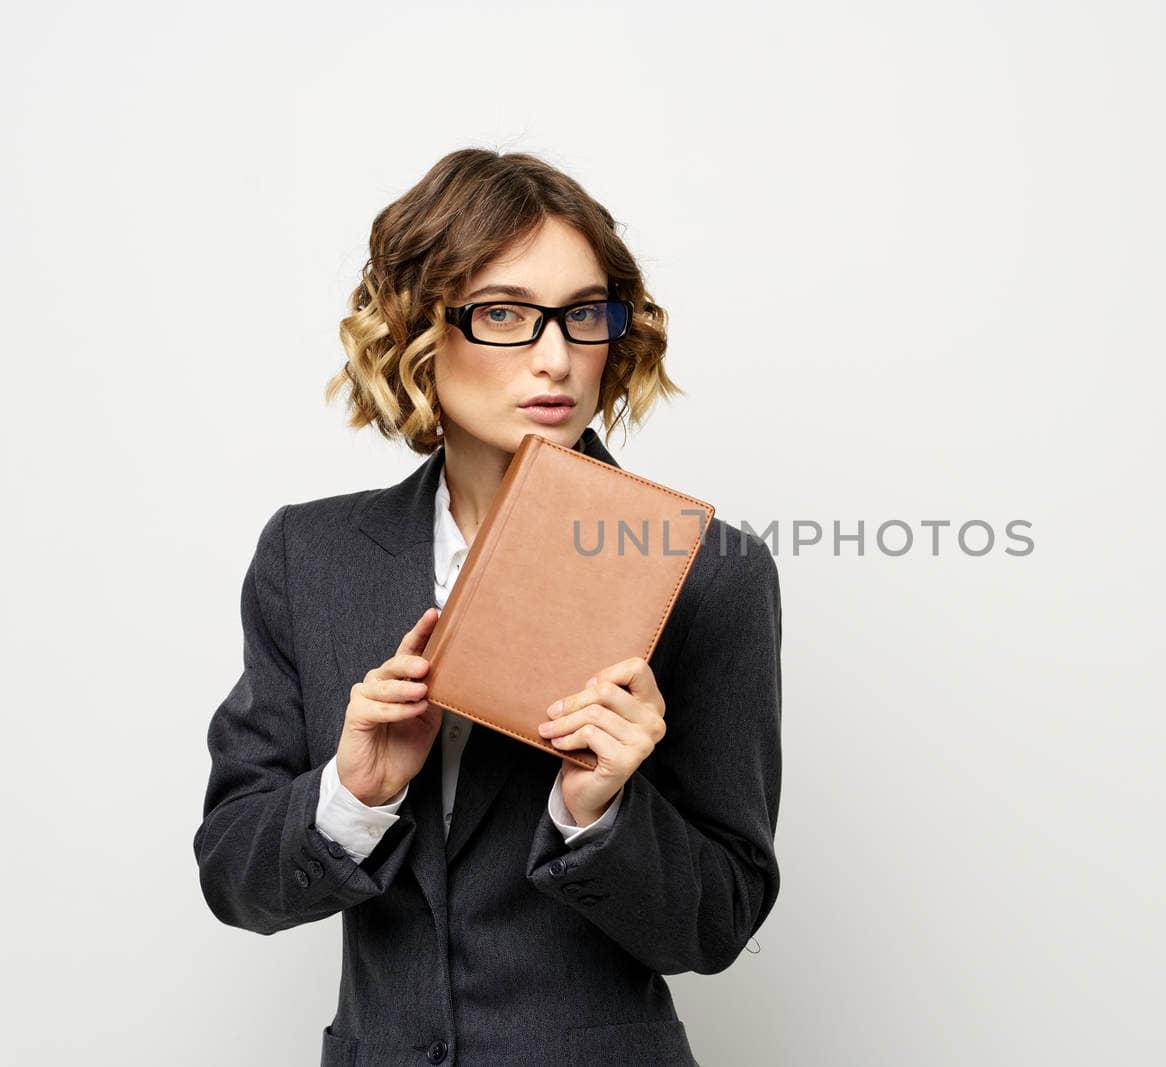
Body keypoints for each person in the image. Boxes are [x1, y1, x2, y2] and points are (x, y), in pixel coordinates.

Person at [192, 148, 783, 1067]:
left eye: (583, 315)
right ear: (417, 328)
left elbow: (718, 924)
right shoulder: (307, 557)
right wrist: (354, 794)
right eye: (504, 313)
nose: (555, 358)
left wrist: (600, 810)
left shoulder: (708, 570)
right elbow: (235, 878)